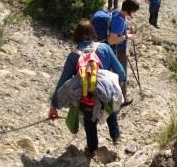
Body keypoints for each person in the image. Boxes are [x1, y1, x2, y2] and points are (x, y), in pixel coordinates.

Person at [49, 20, 126, 157]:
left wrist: (54, 105)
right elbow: (121, 72)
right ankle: (116, 137)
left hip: (86, 94)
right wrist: (117, 85)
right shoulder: (104, 47)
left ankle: (92, 150)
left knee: (89, 122)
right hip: (105, 90)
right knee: (110, 109)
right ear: (92, 33)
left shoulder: (74, 55)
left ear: (77, 36)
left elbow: (63, 80)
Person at [108, 0, 140, 106]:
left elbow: (117, 32)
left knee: (118, 72)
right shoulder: (119, 21)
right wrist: (127, 36)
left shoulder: (117, 13)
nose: (134, 13)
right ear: (129, 10)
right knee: (122, 73)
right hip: (118, 50)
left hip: (117, 49)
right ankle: (122, 98)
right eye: (134, 11)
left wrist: (127, 30)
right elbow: (112, 40)